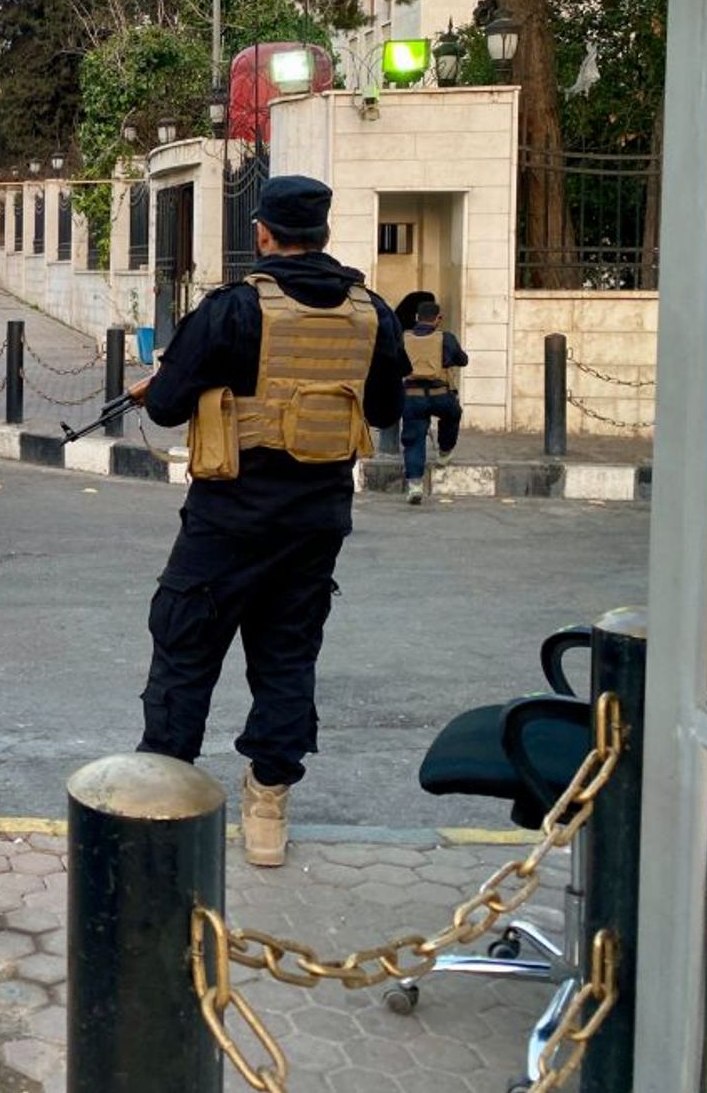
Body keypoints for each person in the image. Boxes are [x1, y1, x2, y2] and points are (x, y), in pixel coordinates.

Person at [127, 175, 408, 867]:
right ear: (324, 233)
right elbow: (383, 411)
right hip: (314, 524)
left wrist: (166, 384)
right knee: (286, 660)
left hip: (226, 520)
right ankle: (267, 810)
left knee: (185, 650)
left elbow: (166, 405)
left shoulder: (234, 310)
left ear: (263, 233)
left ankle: (163, 803)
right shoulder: (372, 313)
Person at [400, 300, 469, 505]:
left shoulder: (403, 338)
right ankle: (444, 451)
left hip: (412, 396)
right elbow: (463, 360)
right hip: (441, 394)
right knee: (453, 415)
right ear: (438, 319)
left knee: (414, 439)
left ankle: (415, 485)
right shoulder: (445, 338)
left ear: (416, 318)